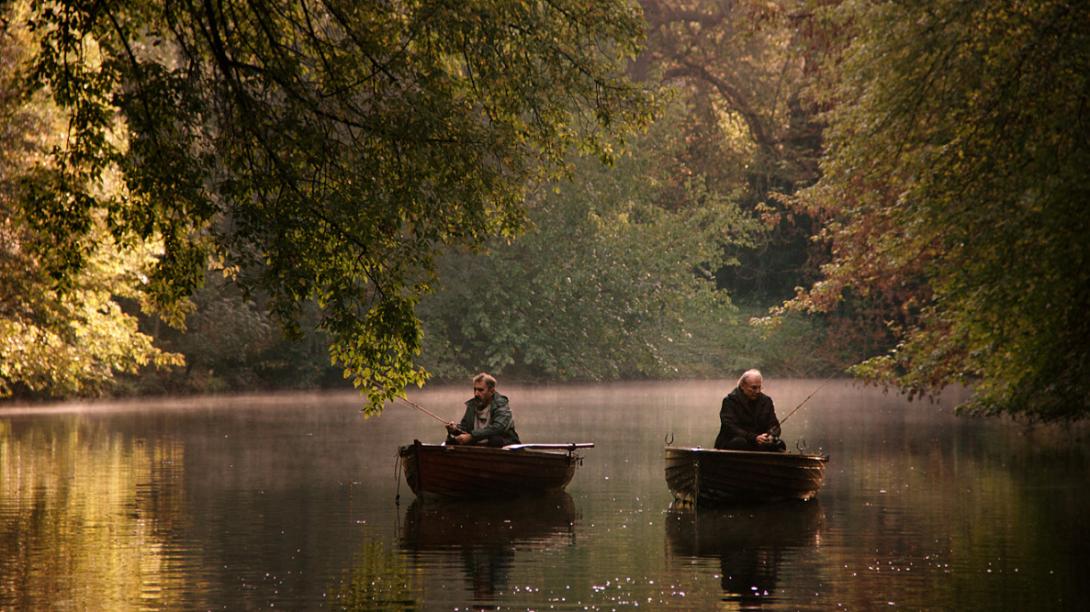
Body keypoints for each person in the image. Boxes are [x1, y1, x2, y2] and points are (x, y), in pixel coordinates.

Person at [714, 369, 786, 452]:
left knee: (780, 444)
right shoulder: (730, 401)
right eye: (754, 388)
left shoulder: (766, 401)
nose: (758, 391)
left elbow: (774, 424)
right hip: (735, 440)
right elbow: (730, 427)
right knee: (740, 442)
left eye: (760, 387)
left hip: (759, 441)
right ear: (742, 386)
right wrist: (753, 437)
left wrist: (770, 435)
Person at [446, 372, 521, 447]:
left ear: (491, 391)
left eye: (480, 390)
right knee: (451, 442)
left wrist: (472, 436)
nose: (476, 394)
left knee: (495, 440)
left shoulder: (501, 405)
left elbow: (497, 429)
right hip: (478, 442)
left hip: (503, 443)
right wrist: (455, 429)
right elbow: (465, 428)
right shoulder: (472, 405)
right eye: (475, 389)